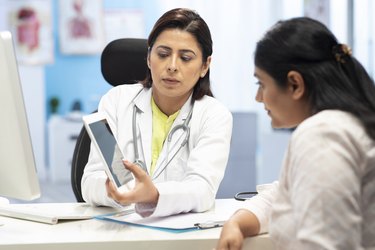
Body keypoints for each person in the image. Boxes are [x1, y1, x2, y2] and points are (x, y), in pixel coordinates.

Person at [216, 17, 375, 249]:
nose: (258, 98)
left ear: (294, 84)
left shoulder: (323, 135)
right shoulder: (343, 126)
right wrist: (236, 223)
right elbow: (283, 193)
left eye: (261, 84)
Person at [81, 8, 232, 218]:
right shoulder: (116, 101)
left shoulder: (214, 115)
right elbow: (90, 180)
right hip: (118, 229)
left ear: (205, 65)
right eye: (163, 54)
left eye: (186, 58)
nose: (172, 66)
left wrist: (154, 195)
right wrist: (114, 192)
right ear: (149, 58)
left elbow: (203, 189)